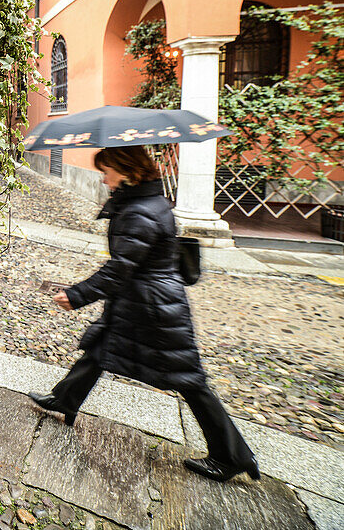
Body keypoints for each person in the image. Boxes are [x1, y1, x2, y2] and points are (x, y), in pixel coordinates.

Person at [28, 146, 260, 483]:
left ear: (127, 169)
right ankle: (65, 399)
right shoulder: (149, 200)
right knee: (101, 349)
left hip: (154, 309)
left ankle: (232, 455)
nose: (103, 178)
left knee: (190, 381)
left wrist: (76, 295)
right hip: (142, 301)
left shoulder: (141, 211)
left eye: (107, 171)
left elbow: (118, 269)